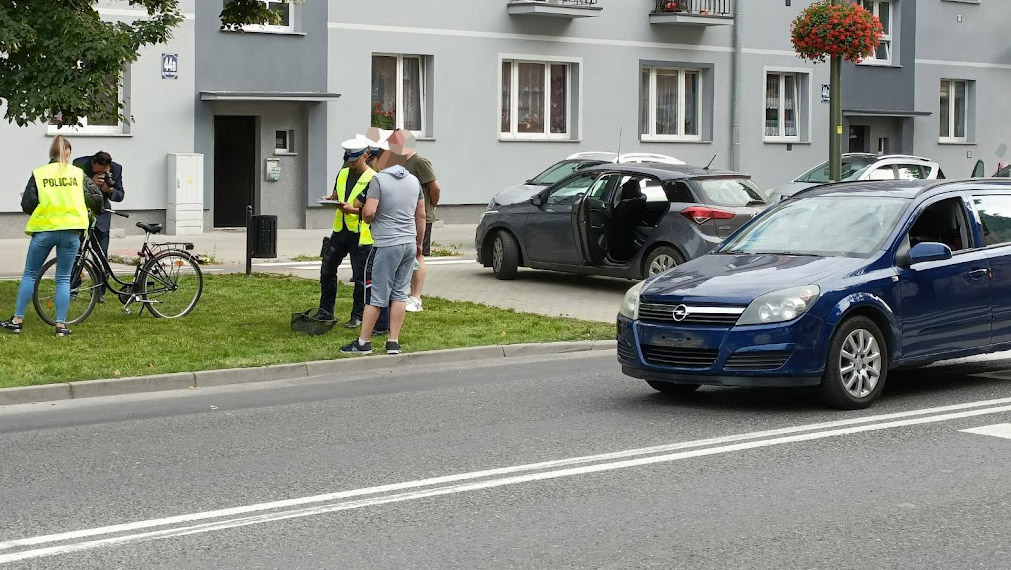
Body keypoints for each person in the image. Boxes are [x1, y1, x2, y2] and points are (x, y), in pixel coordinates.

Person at [1, 136, 103, 336]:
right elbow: (96, 198)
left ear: (51, 153)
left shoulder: (39, 174)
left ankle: (17, 320)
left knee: (30, 274)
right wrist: (92, 214)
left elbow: (28, 204)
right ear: (69, 153)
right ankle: (60, 326)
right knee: (63, 278)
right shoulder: (78, 174)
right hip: (71, 232)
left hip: (45, 231)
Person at [340, 159, 425, 355]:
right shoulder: (414, 181)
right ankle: (393, 342)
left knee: (376, 295)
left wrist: (368, 215)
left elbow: (369, 212)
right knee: (400, 294)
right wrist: (419, 244)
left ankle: (363, 343)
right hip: (408, 243)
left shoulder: (379, 180)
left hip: (386, 244)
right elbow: (420, 215)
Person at [319, 138, 390, 334]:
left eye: (354, 159)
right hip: (340, 231)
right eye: (348, 159)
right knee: (326, 270)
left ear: (365, 155)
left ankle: (357, 316)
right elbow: (336, 195)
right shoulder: (342, 173)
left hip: (361, 235)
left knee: (360, 279)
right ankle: (325, 311)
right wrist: (330, 200)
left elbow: (372, 210)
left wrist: (352, 211)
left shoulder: (373, 178)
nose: (350, 163)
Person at [388, 129, 440, 313]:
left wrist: (430, 206)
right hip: (403, 217)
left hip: (421, 217)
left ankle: (416, 298)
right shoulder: (398, 163)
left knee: (418, 255)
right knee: (406, 255)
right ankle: (402, 293)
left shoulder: (419, 162)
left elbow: (435, 187)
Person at [72, 151, 124, 258]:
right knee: (75, 251)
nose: (101, 174)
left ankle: (102, 274)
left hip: (101, 216)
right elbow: (72, 190)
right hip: (81, 213)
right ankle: (75, 274)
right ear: (92, 163)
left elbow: (120, 195)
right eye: (98, 171)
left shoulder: (116, 169)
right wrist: (90, 183)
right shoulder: (79, 165)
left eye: (104, 172)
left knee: (101, 254)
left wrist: (109, 190)